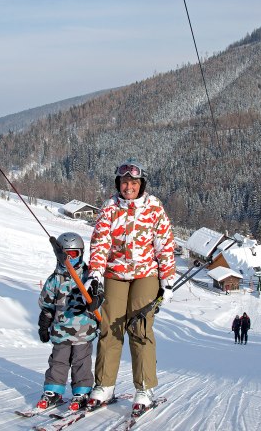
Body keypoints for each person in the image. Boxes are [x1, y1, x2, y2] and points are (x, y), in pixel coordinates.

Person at [86, 160, 176, 413]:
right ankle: (104, 385)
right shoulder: (110, 208)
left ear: (141, 185)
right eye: (124, 182)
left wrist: (167, 281)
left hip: (145, 273)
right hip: (115, 273)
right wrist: (95, 273)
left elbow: (164, 245)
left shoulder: (154, 207)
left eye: (133, 183)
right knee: (109, 327)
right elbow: (100, 242)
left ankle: (144, 387)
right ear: (118, 184)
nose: (128, 187)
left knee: (140, 328)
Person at [37, 232, 104, 411]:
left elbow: (100, 296)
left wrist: (97, 299)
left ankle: (82, 391)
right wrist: (44, 324)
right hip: (60, 331)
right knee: (58, 362)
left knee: (81, 363)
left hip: (84, 331)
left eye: (73, 254)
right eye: (66, 254)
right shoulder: (55, 279)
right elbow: (47, 304)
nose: (69, 258)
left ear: (81, 253)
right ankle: (53, 390)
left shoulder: (90, 277)